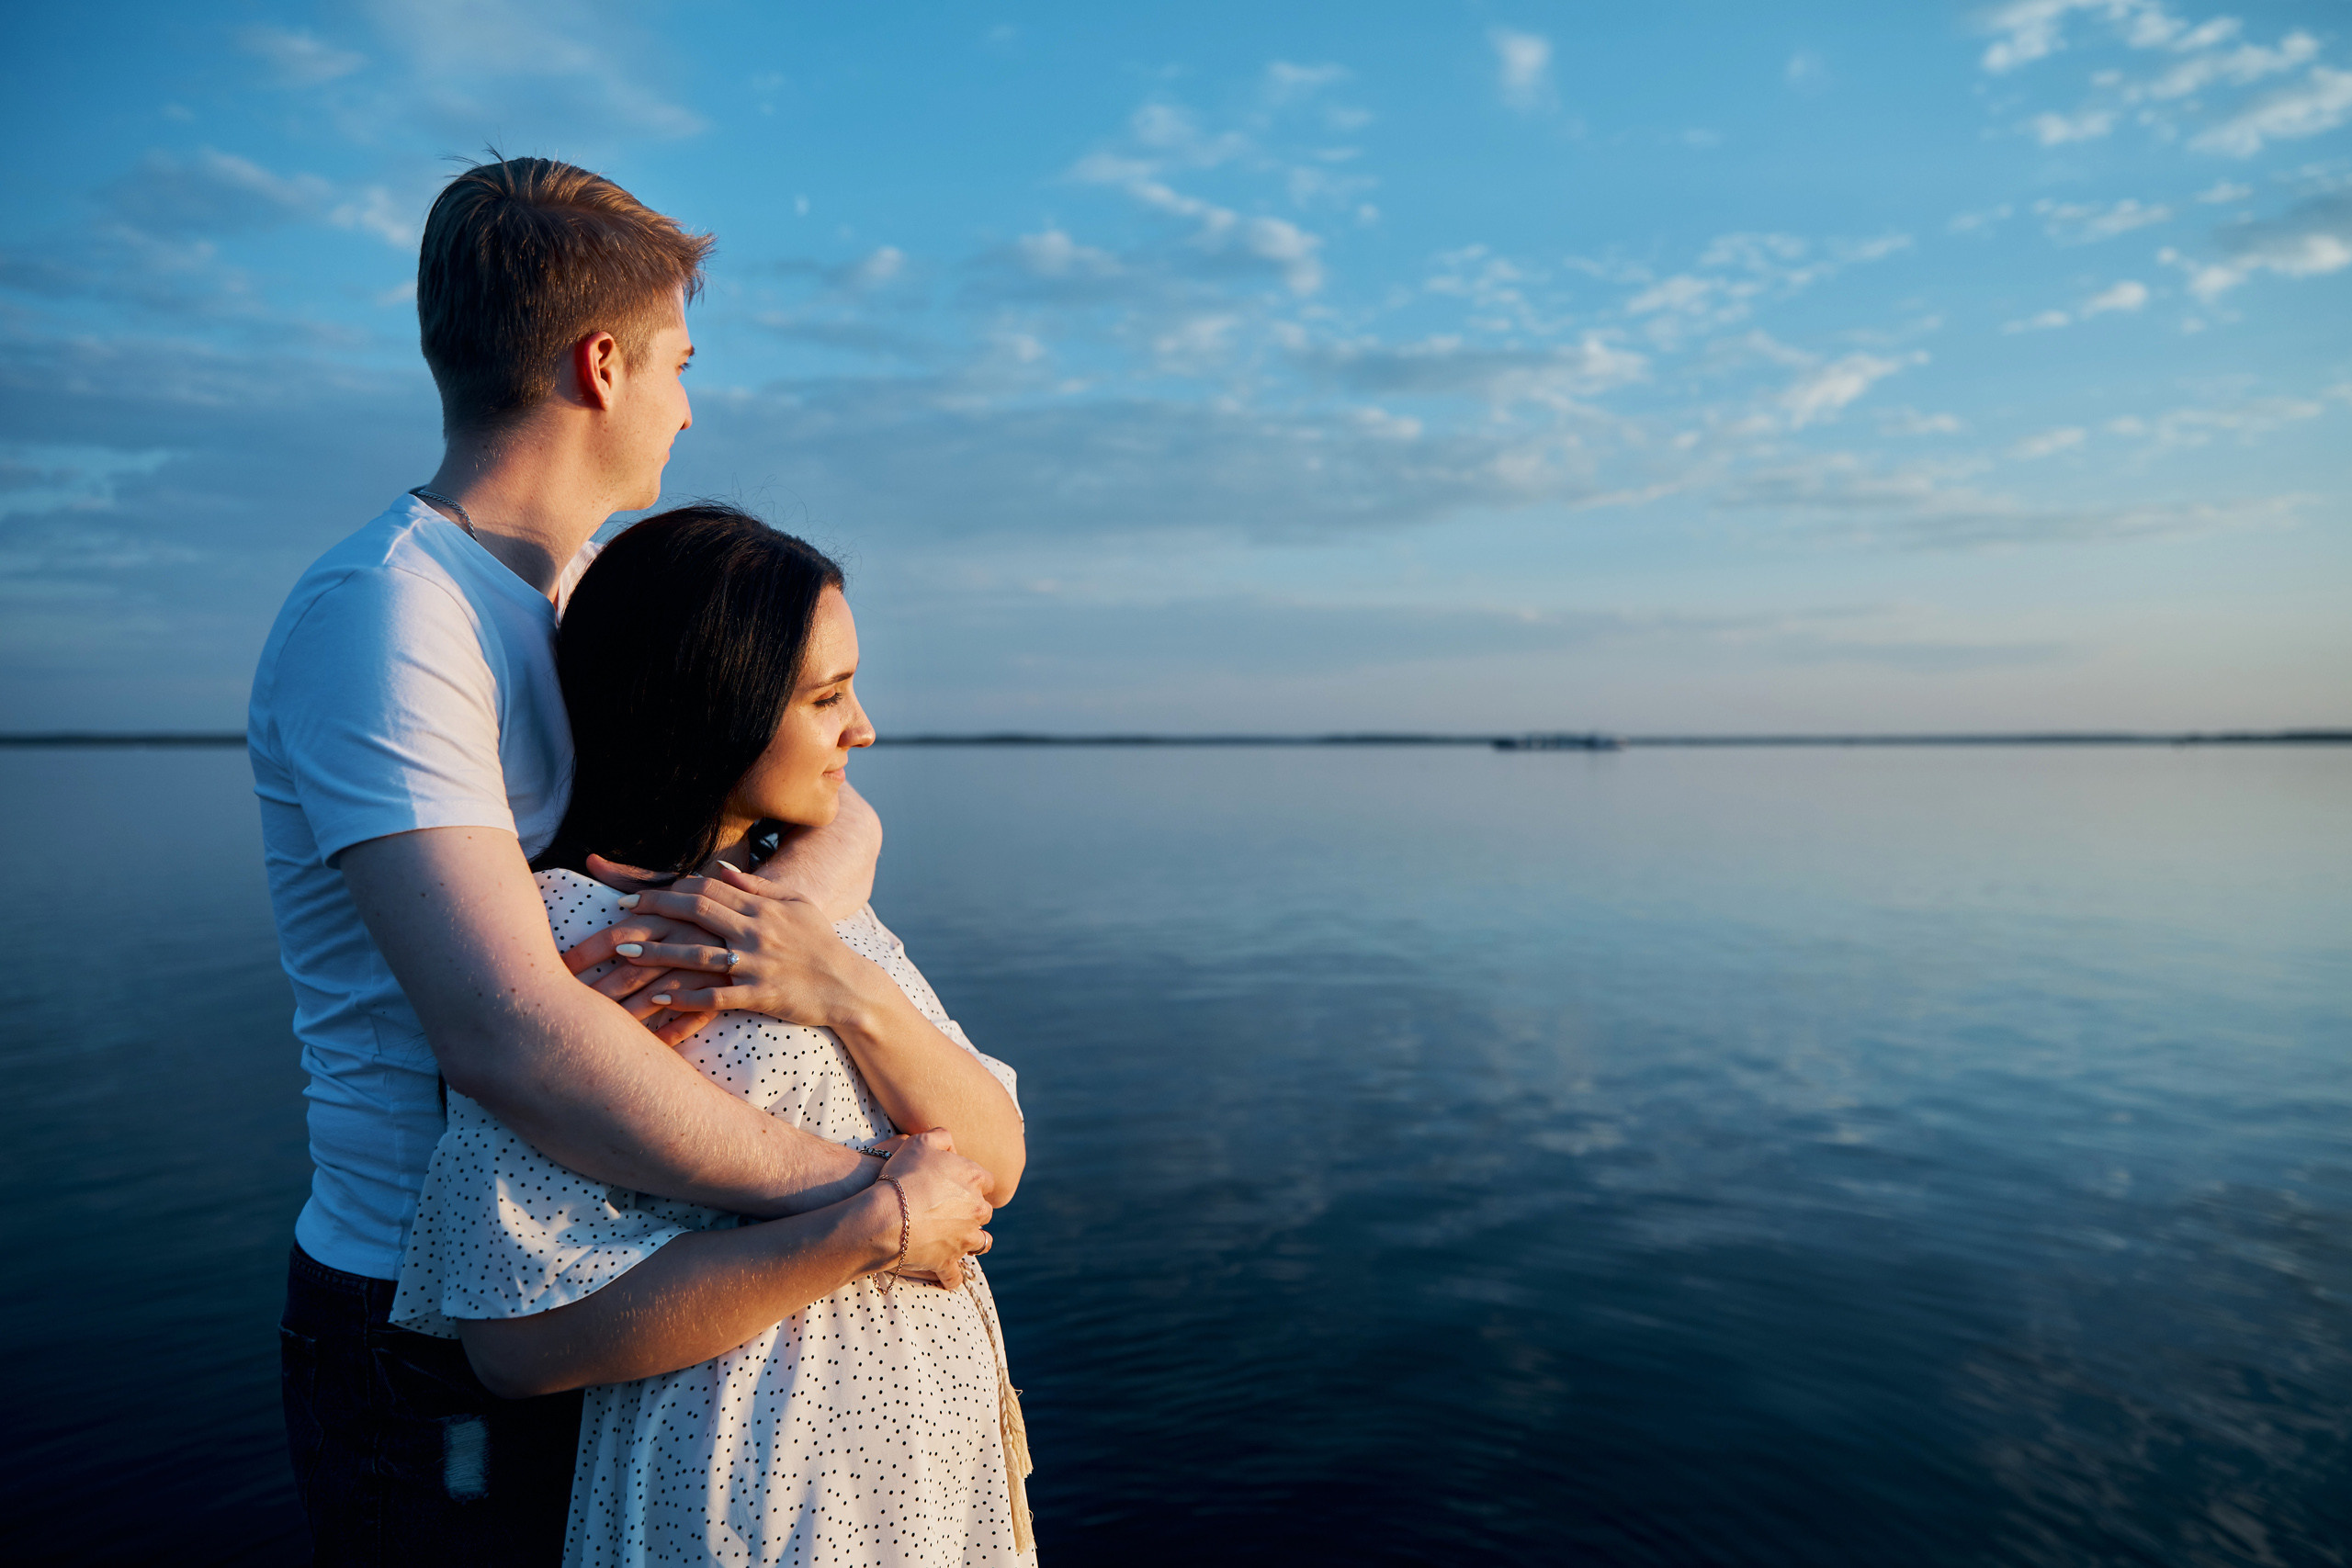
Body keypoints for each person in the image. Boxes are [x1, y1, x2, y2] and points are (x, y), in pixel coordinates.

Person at [250, 157, 993, 1565]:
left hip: (637, 1270)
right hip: (441, 1313)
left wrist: (769, 930)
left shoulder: (582, 595)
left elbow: (832, 797)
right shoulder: (391, 618)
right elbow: (510, 1037)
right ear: (602, 363)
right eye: (681, 362)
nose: (692, 404)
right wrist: (864, 1195)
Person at [391, 504, 1034, 1565]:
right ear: (716, 704)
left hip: (935, 1479)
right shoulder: (580, 946)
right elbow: (516, 1339)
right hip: (745, 1498)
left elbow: (996, 1159)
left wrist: (840, 984)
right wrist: (868, 1230)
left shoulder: (811, 915)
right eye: (826, 697)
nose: (862, 729)